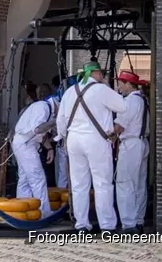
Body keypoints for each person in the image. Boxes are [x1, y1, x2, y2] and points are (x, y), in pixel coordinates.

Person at [56, 61, 126, 233]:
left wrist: (64, 137)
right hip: (96, 139)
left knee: (79, 184)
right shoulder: (101, 89)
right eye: (101, 73)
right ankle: (107, 225)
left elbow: (61, 120)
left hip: (73, 139)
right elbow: (123, 106)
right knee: (102, 183)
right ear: (96, 73)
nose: (102, 76)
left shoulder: (69, 92)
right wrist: (107, 87)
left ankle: (81, 224)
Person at [113, 71, 150, 234]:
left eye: (120, 83)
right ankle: (139, 220)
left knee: (124, 183)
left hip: (130, 143)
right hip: (142, 142)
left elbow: (119, 126)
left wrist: (108, 136)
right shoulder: (143, 100)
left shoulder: (128, 102)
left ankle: (128, 224)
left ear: (128, 84)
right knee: (140, 184)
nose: (118, 86)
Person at [11, 91, 58, 218]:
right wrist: (55, 122)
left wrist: (50, 149)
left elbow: (40, 135)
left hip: (23, 143)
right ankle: (43, 212)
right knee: (38, 178)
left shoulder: (43, 107)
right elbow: (38, 129)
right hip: (26, 145)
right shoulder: (44, 107)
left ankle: (23, 211)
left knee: (25, 179)